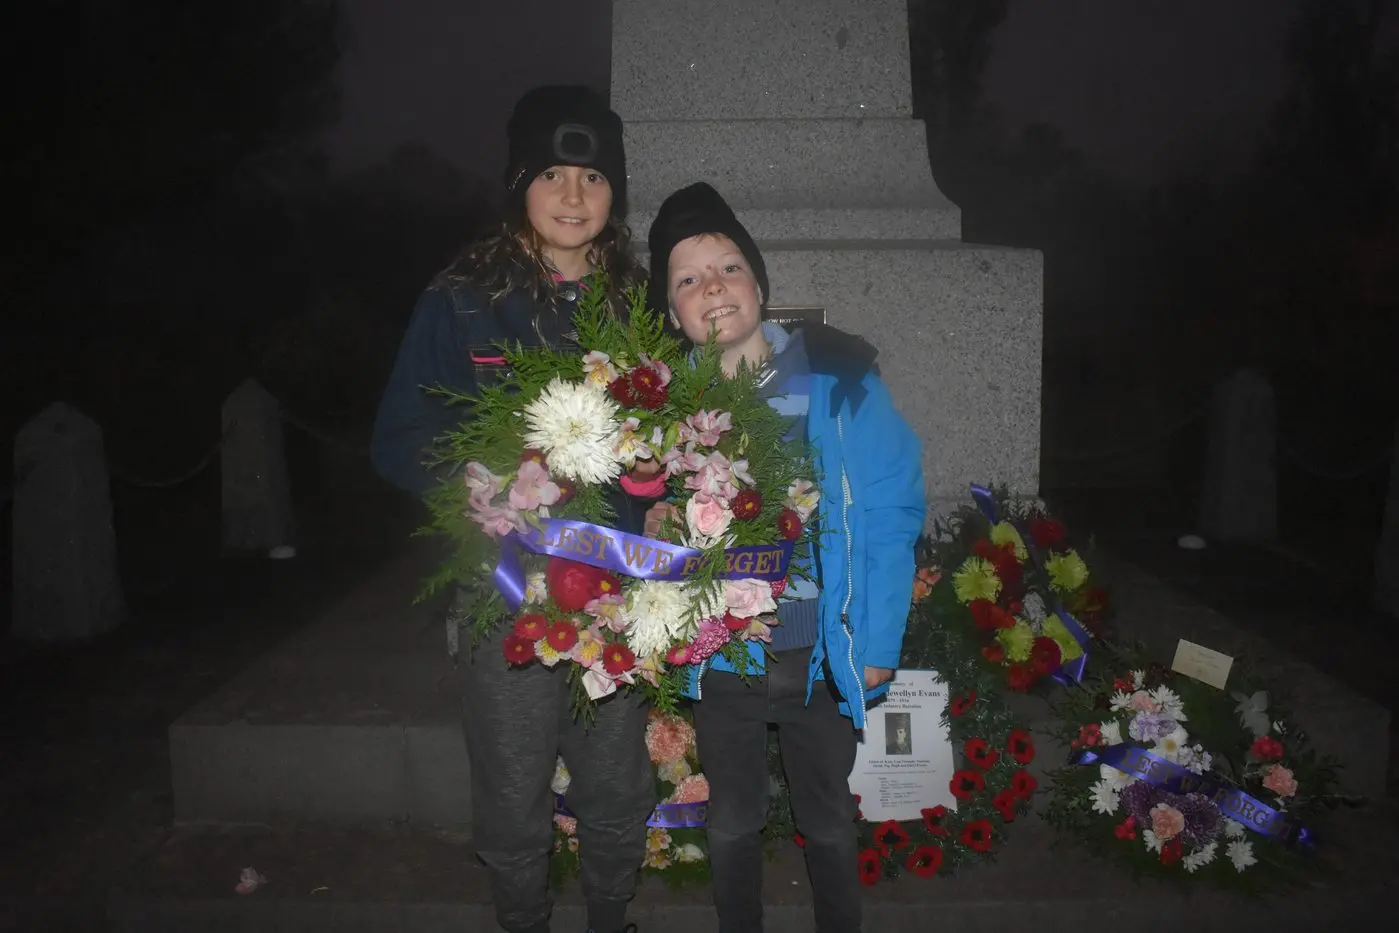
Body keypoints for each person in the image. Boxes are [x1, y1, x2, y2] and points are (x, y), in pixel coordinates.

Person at [370, 86, 655, 933]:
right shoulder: (460, 297)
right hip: (506, 596)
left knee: (616, 781)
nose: (574, 197)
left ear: (615, 194)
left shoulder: (639, 306)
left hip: (616, 594)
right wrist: (470, 482)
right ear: (518, 183)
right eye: (554, 174)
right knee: (511, 784)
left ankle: (612, 916)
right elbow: (397, 436)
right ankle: (522, 919)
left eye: (594, 178)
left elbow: (672, 443)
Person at [643, 182, 926, 933]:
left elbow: (893, 512)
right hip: (722, 665)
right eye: (687, 278)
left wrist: (876, 643)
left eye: (728, 267)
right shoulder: (658, 410)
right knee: (732, 820)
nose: (712, 287)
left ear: (760, 285)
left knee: (828, 819)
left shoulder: (838, 384)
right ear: (672, 312)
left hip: (821, 656)